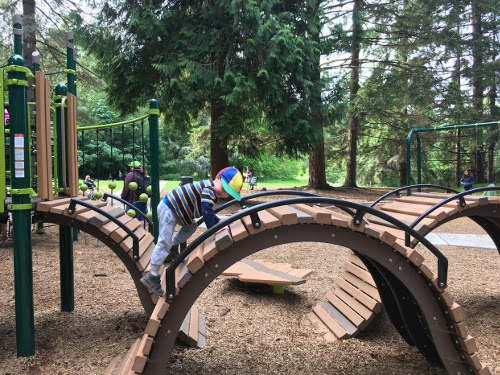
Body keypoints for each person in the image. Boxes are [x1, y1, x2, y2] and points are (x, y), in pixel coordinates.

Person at [140, 166, 244, 296]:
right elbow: (206, 211)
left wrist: (218, 222)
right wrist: (215, 227)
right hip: (169, 209)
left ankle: (173, 246)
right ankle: (152, 275)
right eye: (224, 189)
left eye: (228, 193)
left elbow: (209, 212)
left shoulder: (210, 189)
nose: (224, 194)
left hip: (177, 210)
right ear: (217, 178)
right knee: (163, 242)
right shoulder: (209, 189)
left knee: (191, 226)